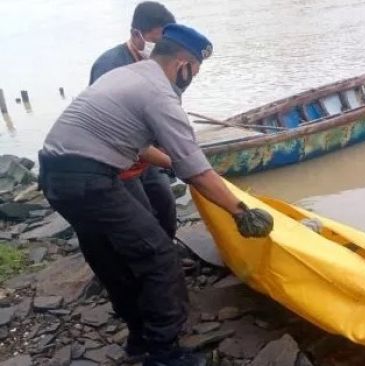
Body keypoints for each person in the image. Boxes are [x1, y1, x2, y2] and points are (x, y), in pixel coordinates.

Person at [39, 24, 274, 366]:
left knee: (110, 258)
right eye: (194, 70)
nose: (192, 77)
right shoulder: (160, 94)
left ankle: (139, 339)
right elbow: (196, 172)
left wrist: (178, 163)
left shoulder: (129, 74)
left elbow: (143, 145)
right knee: (160, 258)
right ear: (183, 63)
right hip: (92, 182)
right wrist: (241, 211)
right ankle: (163, 353)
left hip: (55, 176)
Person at [90, 1, 178, 239]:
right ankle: (153, 262)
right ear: (136, 34)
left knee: (166, 203)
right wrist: (174, 161)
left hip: (146, 156)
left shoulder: (158, 66)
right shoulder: (110, 65)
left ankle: (167, 250)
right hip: (119, 159)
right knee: (142, 216)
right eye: (156, 40)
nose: (160, 47)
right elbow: (110, 126)